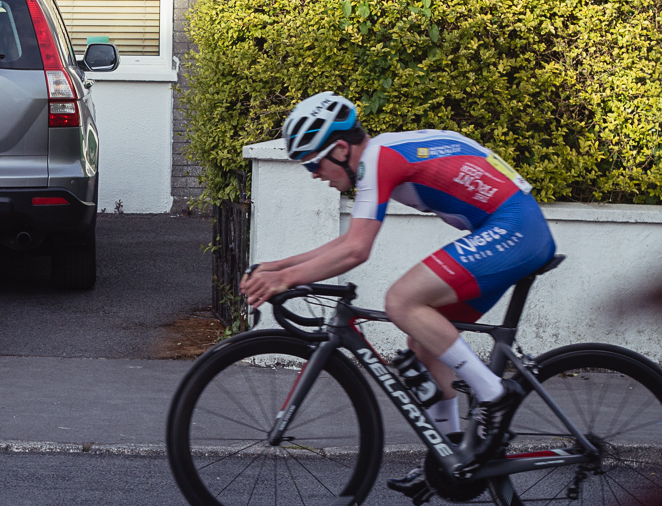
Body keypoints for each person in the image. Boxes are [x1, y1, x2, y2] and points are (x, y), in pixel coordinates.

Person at [238, 92, 556, 479]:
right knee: (423, 342)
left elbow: (356, 251)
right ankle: (452, 454)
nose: (314, 174)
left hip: (515, 228)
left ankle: (494, 393)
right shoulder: (381, 154)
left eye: (312, 162)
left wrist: (283, 279)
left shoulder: (377, 161)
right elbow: (346, 243)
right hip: (512, 227)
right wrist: (277, 266)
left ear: (339, 149)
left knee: (401, 302)